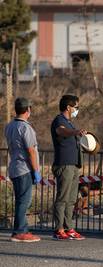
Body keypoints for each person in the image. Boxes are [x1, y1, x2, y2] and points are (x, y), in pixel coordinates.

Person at [5, 98, 41, 242]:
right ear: (28, 110)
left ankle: (20, 229)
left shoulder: (9, 126)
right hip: (24, 168)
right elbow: (30, 150)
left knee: (21, 200)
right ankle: (20, 231)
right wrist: (36, 170)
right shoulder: (26, 128)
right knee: (24, 201)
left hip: (14, 166)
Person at [51, 95, 86, 241]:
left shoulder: (69, 123)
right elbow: (61, 131)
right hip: (64, 165)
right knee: (62, 198)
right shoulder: (60, 121)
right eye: (76, 107)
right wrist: (75, 132)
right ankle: (59, 229)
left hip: (73, 165)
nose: (77, 110)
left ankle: (69, 228)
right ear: (68, 107)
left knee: (71, 199)